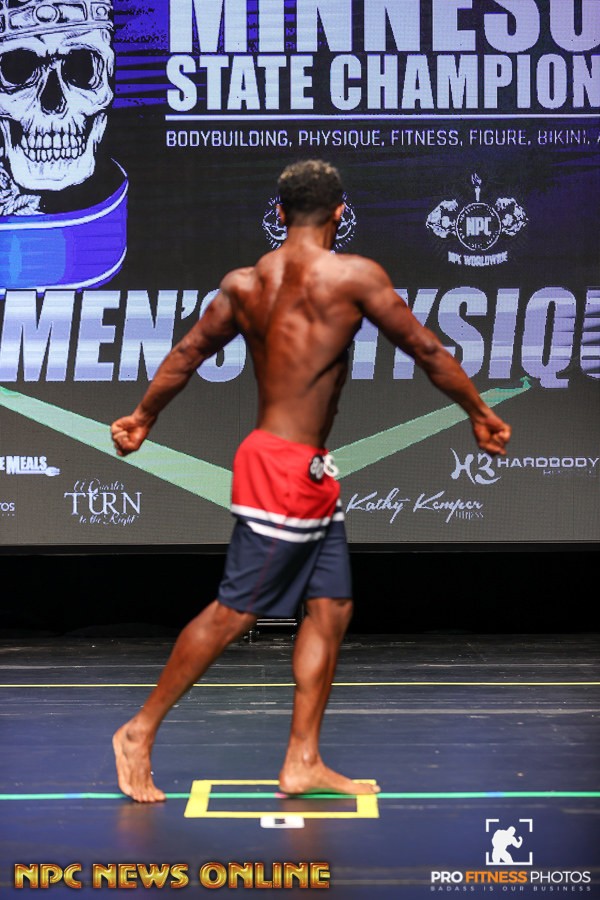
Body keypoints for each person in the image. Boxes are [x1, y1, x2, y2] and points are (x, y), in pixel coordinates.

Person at [110, 159, 511, 803]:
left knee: (332, 605)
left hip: (309, 468)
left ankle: (303, 758)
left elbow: (188, 353)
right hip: (284, 471)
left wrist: (142, 417)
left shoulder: (245, 283)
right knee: (236, 610)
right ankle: (139, 730)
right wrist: (480, 412)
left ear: (280, 213)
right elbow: (427, 350)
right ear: (339, 213)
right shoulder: (354, 276)